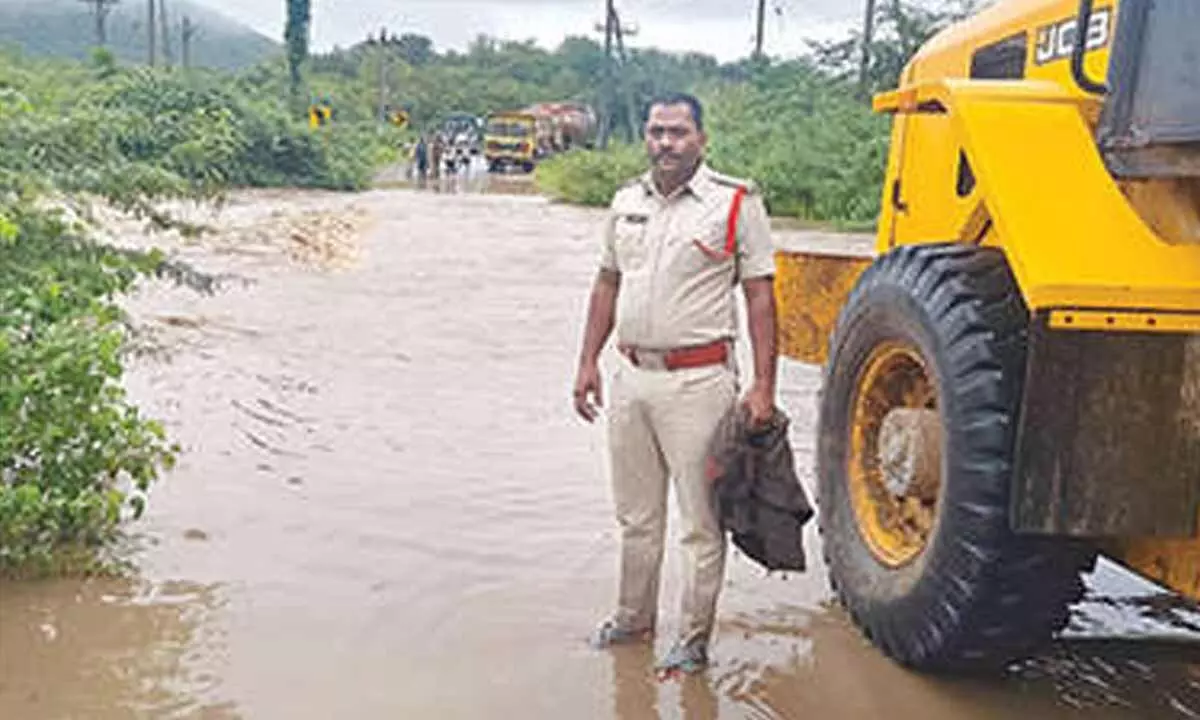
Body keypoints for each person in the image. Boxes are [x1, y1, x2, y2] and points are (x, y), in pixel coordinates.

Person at [572, 92, 779, 676]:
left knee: (700, 523)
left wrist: (763, 387)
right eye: (657, 131)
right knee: (636, 518)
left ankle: (691, 639)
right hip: (631, 377)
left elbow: (761, 298)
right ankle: (632, 620)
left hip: (700, 383)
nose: (665, 142)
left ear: (701, 140)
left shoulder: (735, 203)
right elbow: (606, 284)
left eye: (678, 132)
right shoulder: (624, 202)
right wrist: (587, 362)